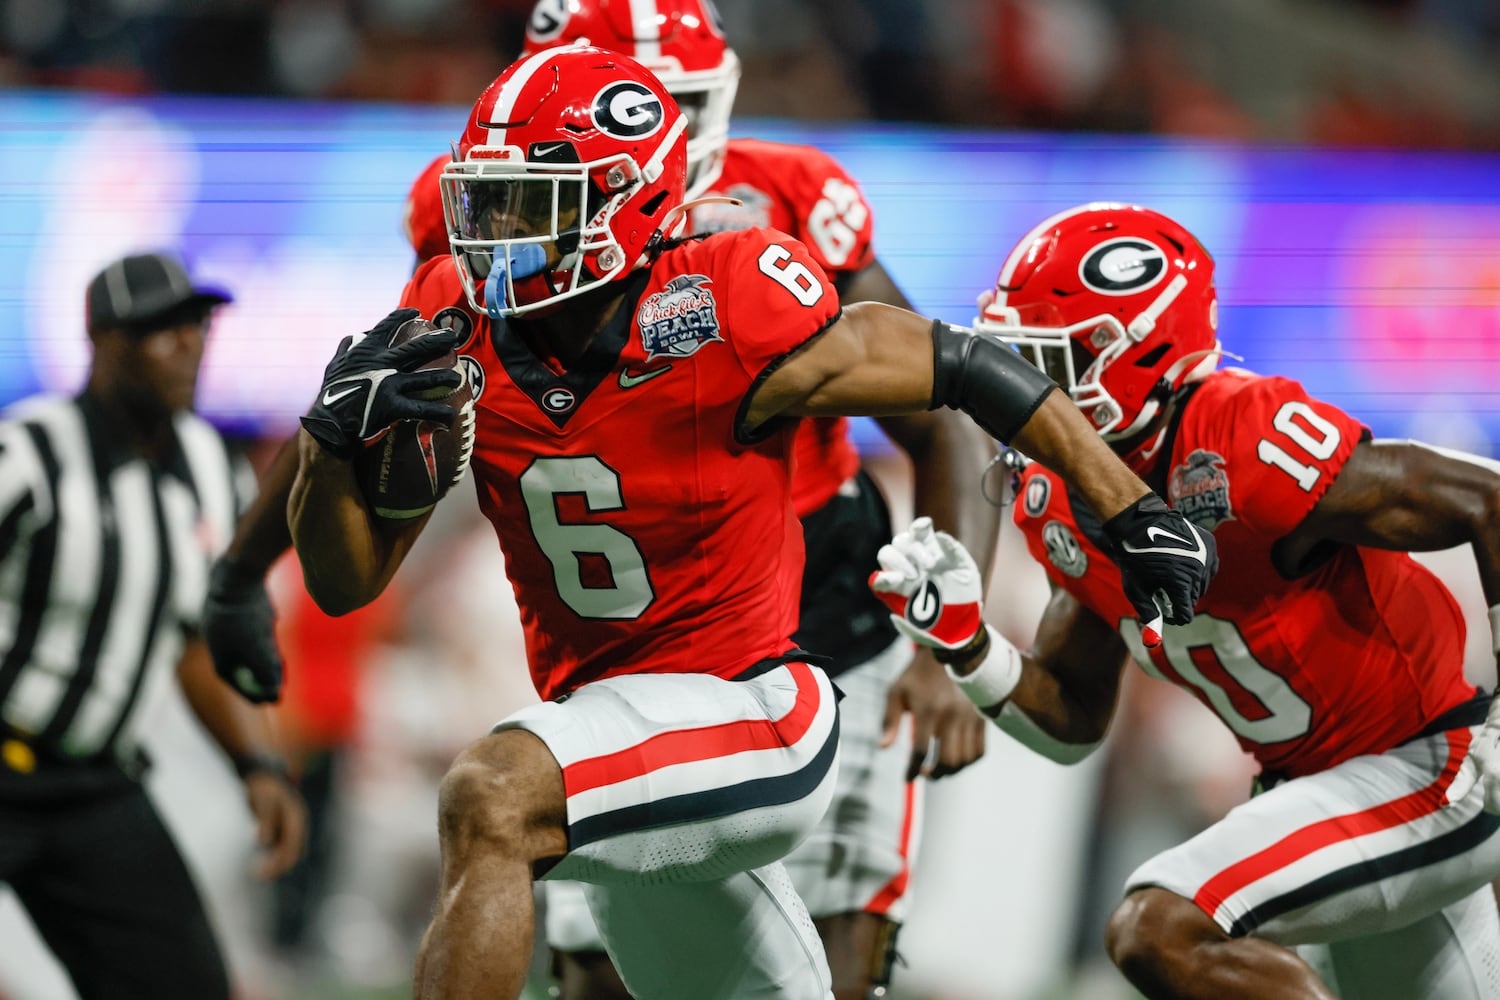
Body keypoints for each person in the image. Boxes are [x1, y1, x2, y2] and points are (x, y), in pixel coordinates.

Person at [286, 48, 1216, 1000]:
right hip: (613, 727)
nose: (499, 237)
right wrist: (328, 448)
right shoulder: (454, 317)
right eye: (490, 203)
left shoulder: (722, 297)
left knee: (490, 793)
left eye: (534, 206)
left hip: (754, 710)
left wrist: (1126, 504)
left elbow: (957, 368)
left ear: (624, 204)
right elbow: (344, 580)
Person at [391, 3, 1001, 994]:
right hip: (643, 638)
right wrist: (258, 558)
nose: (638, 131)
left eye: (663, 101)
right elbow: (411, 383)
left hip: (825, 612)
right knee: (600, 964)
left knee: (846, 962)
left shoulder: (780, 207)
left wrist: (948, 642)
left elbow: (945, 406)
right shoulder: (488, 208)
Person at [880, 202, 1500, 999]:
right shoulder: (1056, 496)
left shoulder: (1242, 436)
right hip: (1319, 788)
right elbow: (1072, 717)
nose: (1021, 392)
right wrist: (969, 648)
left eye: (1051, 364)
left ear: (1134, 359)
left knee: (1161, 925)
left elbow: (1486, 502)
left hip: (1426, 763)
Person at [0, 251, 307, 999]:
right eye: (161, 329)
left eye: (197, 324)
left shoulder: (212, 468)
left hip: (97, 782)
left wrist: (256, 763)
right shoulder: (30, 450)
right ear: (104, 341)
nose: (190, 344)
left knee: (184, 985)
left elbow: (194, 641)